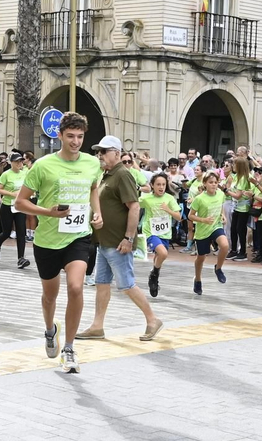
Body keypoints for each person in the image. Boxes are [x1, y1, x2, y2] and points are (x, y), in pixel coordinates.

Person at [15, 113, 103, 373]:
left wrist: (97, 213)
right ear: (60, 136)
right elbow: (20, 202)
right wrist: (48, 212)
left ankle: (69, 348)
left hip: (78, 236)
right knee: (49, 297)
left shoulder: (91, 163)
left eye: (80, 137)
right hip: (48, 240)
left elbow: (93, 189)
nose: (76, 141)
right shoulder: (43, 166)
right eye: (70, 136)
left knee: (76, 287)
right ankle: (50, 329)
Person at [76, 136, 162, 340]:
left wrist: (129, 238)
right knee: (102, 282)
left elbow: (134, 206)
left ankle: (152, 319)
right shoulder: (107, 175)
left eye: (104, 151)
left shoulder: (123, 174)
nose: (100, 155)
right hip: (105, 241)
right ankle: (97, 326)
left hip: (118, 242)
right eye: (99, 152)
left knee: (126, 284)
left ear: (116, 153)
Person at [187, 170, 231, 296]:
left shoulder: (221, 194)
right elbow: (191, 216)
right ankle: (198, 279)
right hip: (202, 230)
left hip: (216, 226)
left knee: (225, 245)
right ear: (205, 183)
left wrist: (223, 215)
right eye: (211, 182)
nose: (214, 185)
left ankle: (218, 268)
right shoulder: (199, 199)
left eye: (216, 182)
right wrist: (203, 220)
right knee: (201, 258)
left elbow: (221, 206)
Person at [140, 172, 182, 297]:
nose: (161, 187)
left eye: (163, 184)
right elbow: (133, 203)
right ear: (152, 185)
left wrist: (168, 210)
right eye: (158, 184)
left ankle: (154, 275)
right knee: (163, 253)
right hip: (150, 232)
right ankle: (154, 275)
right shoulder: (147, 198)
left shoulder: (169, 198)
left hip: (164, 233)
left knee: (159, 256)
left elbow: (179, 217)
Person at [0, 153, 31, 269]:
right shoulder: (6, 175)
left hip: (19, 206)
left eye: (21, 161)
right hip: (7, 206)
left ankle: (21, 258)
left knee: (21, 232)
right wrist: (11, 194)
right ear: (11, 163)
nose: (19, 164)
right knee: (7, 232)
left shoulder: (24, 173)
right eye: (17, 162)